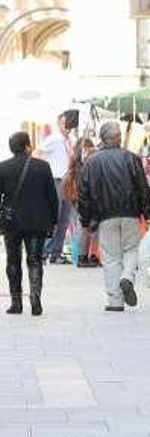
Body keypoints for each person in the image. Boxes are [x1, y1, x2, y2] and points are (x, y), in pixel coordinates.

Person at [78, 122, 150, 312]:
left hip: (105, 216)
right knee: (131, 250)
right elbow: (143, 188)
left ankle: (115, 300)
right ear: (119, 137)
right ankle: (127, 276)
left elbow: (84, 193)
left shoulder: (92, 162)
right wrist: (147, 213)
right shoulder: (131, 158)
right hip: (130, 213)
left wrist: (85, 220)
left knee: (111, 257)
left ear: (103, 139)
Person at [0, 132, 58, 315]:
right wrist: (53, 220)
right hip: (37, 221)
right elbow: (52, 197)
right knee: (34, 260)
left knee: (13, 260)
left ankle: (16, 302)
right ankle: (35, 299)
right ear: (27, 146)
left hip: (12, 222)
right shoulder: (43, 167)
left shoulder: (3, 168)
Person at [38, 113, 74, 264]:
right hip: (55, 180)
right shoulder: (53, 139)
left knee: (64, 219)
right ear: (59, 123)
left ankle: (56, 253)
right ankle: (45, 251)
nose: (67, 127)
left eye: (69, 124)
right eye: (65, 124)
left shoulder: (68, 141)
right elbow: (38, 152)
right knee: (54, 217)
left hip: (67, 181)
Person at [62, 138, 100, 268]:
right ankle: (85, 256)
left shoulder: (76, 166)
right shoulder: (81, 167)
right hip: (82, 201)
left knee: (86, 228)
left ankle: (87, 256)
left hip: (79, 200)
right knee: (85, 228)